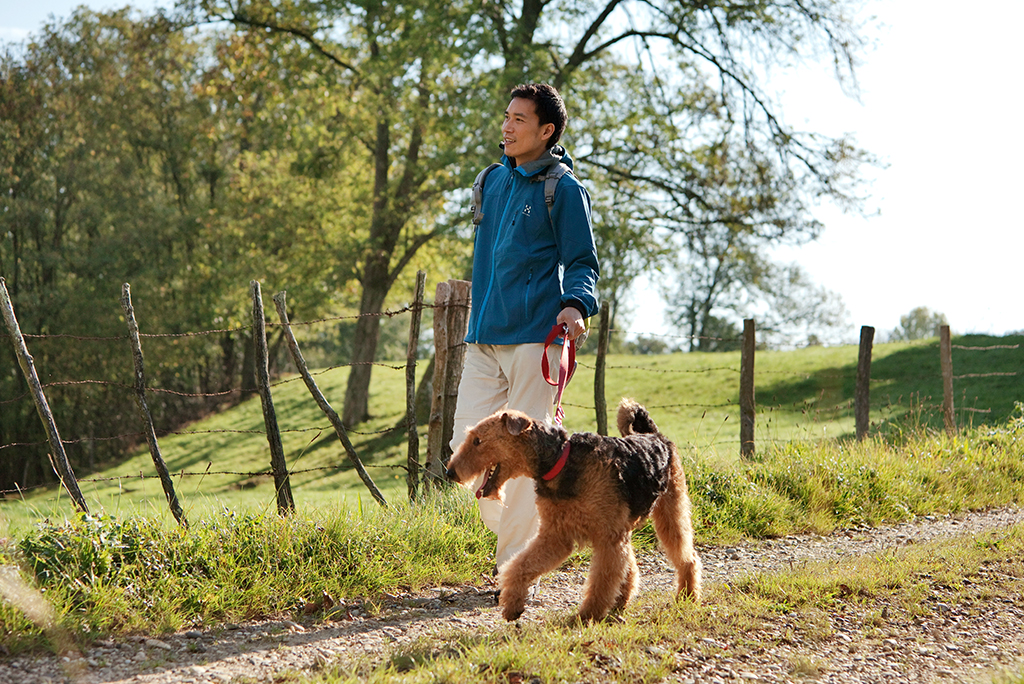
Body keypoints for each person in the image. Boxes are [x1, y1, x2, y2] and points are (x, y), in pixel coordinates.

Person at [450, 83, 600, 570]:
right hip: (483, 334)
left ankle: (515, 566)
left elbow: (582, 261)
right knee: (464, 446)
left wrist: (576, 305)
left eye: (519, 119)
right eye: (507, 116)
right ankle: (546, 525)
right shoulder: (491, 182)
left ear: (546, 130)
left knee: (520, 458)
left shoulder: (564, 190)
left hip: (537, 336)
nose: (507, 126)